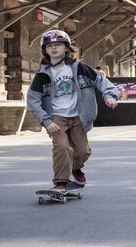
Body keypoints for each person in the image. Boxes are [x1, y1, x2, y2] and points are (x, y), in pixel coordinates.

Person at [27, 29, 119, 191]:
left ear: (66, 48)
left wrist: (109, 95)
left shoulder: (80, 68)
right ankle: (61, 182)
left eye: (58, 45)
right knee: (62, 147)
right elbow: (32, 100)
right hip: (56, 117)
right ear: (45, 50)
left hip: (78, 115)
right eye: (49, 46)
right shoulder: (42, 75)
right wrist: (46, 120)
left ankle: (75, 168)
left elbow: (102, 81)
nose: (54, 49)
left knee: (83, 151)